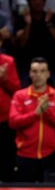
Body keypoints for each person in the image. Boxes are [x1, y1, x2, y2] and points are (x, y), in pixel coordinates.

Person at [9, 57, 55, 182]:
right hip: (25, 156)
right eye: (35, 71)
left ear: (48, 74)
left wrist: (48, 111)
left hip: (51, 156)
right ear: (30, 74)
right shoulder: (20, 95)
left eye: (42, 71)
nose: (38, 75)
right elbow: (13, 122)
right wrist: (35, 114)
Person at [0, 52, 20, 182]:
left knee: (5, 157)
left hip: (4, 120)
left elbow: (16, 88)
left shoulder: (8, 61)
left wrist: (4, 78)